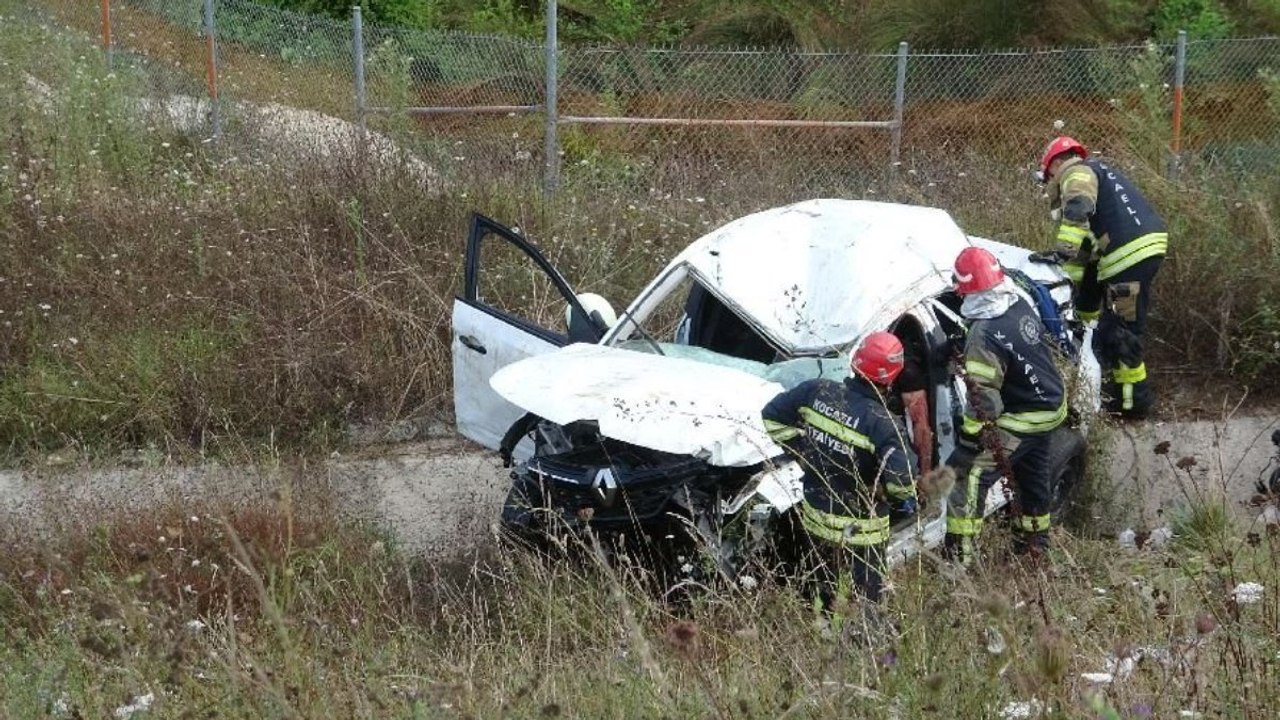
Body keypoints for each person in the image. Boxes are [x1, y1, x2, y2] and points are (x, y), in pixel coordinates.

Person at [761, 332, 919, 603]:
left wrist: (804, 453)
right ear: (892, 375)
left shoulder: (817, 390)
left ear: (855, 362)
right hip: (864, 532)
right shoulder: (885, 424)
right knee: (867, 600)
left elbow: (772, 418)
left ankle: (823, 632)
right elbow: (900, 484)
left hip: (817, 518)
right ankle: (864, 640)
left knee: (821, 590)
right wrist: (895, 497)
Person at [944, 247, 1068, 564]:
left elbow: (986, 403)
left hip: (1023, 417)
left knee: (970, 476)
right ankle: (1033, 547)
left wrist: (971, 440)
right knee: (1032, 475)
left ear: (965, 290)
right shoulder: (1019, 303)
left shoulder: (983, 336)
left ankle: (960, 557)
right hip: (1051, 405)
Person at [1032, 136, 1166, 418]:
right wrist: (1077, 305)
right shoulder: (1098, 171)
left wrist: (1061, 252)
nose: (1049, 183)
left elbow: (1078, 208)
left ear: (1056, 163)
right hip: (1140, 250)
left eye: (1048, 176)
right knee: (1116, 325)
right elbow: (1088, 256)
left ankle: (1131, 405)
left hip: (1128, 257)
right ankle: (1123, 393)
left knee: (1120, 332)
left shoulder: (1075, 172)